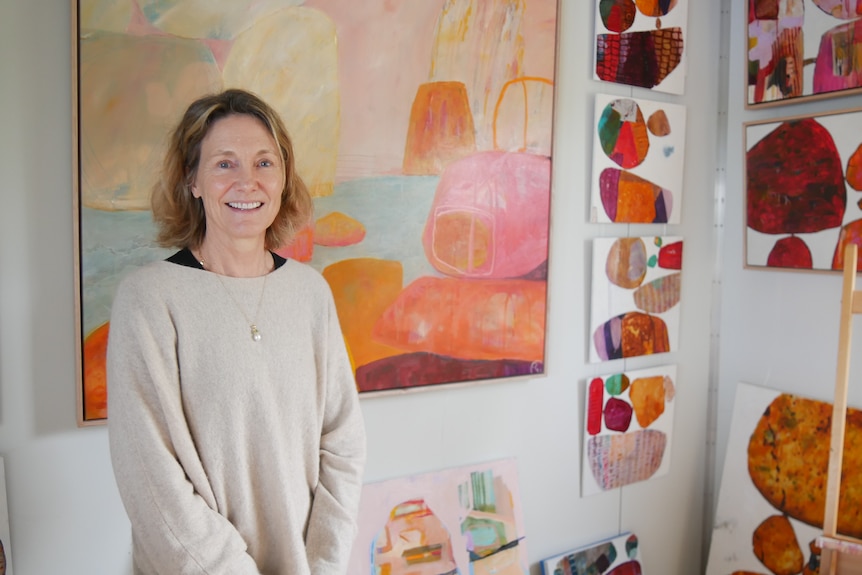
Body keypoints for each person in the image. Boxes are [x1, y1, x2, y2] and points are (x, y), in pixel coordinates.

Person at [106, 88, 367, 575]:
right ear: (193, 180)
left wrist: (326, 564)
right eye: (225, 164)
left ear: (284, 178)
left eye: (264, 163)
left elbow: (344, 442)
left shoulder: (311, 293)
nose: (247, 181)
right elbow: (151, 479)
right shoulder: (149, 300)